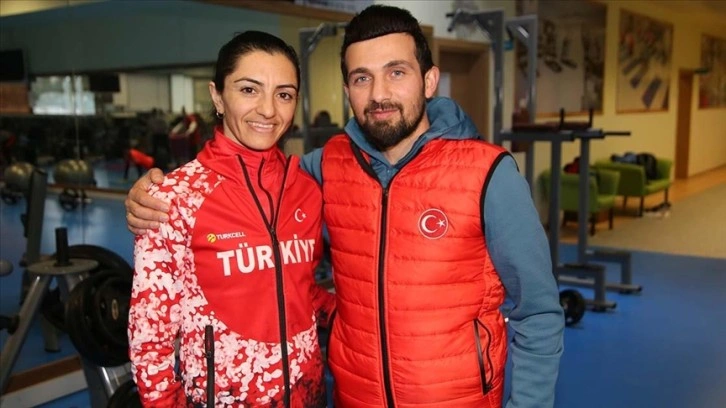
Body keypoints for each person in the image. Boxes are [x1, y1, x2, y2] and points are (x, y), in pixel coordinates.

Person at [126, 5, 564, 408]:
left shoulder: (490, 174)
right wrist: (151, 192)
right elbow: (249, 181)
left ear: (429, 80)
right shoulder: (323, 168)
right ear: (347, 90)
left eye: (396, 72)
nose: (379, 94)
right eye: (361, 78)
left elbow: (539, 313)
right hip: (352, 397)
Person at [127, 31, 335, 407]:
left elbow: (301, 291)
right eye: (249, 89)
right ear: (218, 96)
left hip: (309, 394)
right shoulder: (174, 198)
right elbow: (149, 334)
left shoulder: (305, 189)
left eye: (284, 94)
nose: (268, 110)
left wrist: (360, 317)